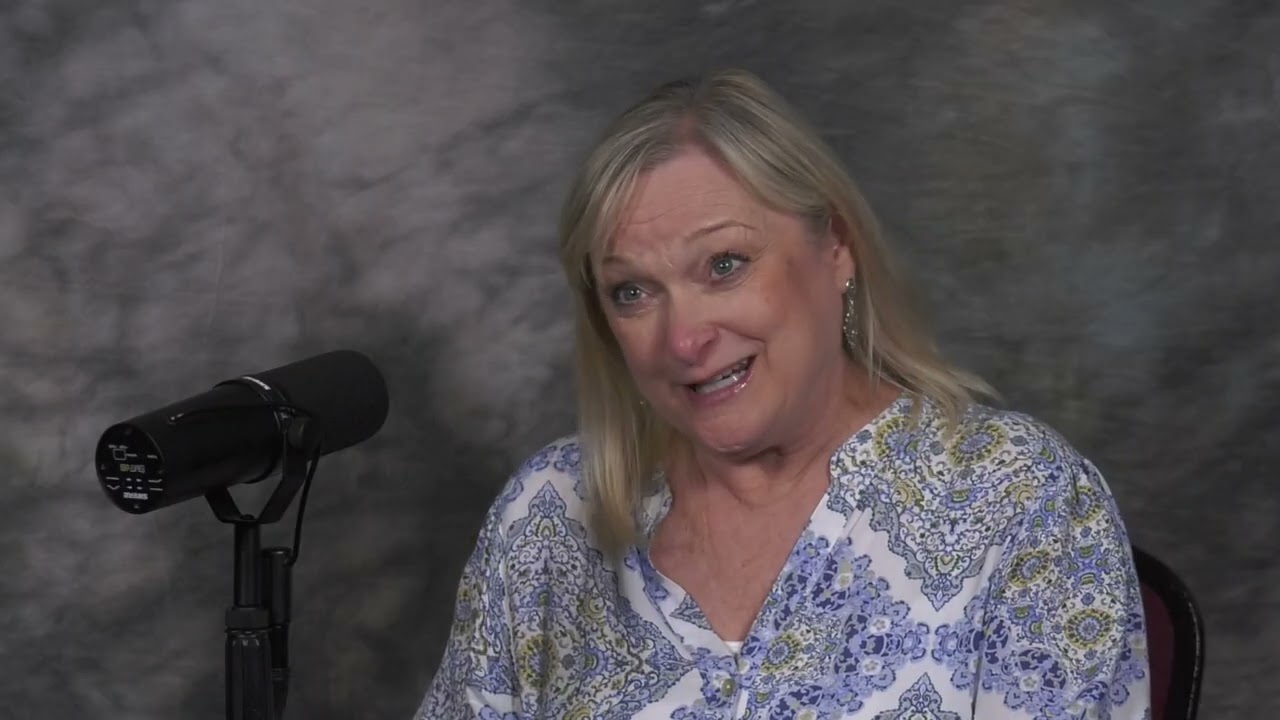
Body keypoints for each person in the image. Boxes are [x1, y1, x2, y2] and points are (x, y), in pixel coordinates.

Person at [416, 69, 1150, 719]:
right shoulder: (548, 512)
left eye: (724, 265)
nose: (684, 339)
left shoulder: (1018, 495)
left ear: (836, 247)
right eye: (632, 292)